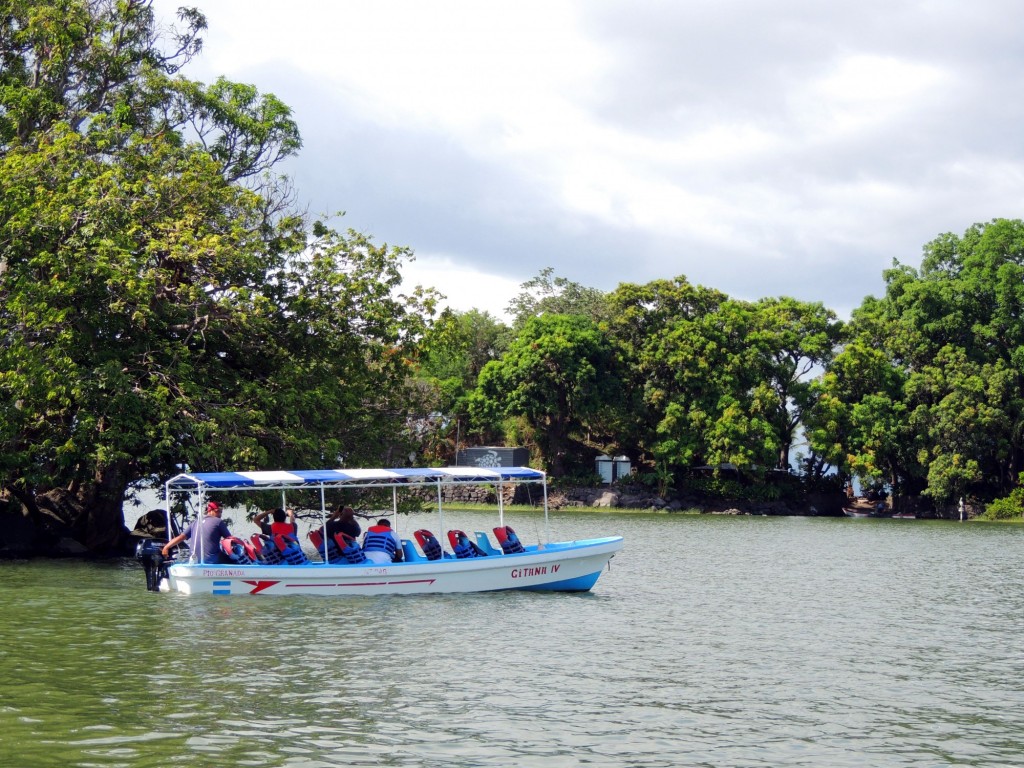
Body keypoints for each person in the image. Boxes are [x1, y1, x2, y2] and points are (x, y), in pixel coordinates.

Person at [161, 501, 232, 564]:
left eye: (221, 512)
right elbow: (230, 540)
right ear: (210, 510)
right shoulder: (218, 522)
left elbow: (181, 537)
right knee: (234, 560)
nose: (220, 514)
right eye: (218, 511)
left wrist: (166, 547)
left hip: (195, 560)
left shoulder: (195, 522)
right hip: (211, 560)